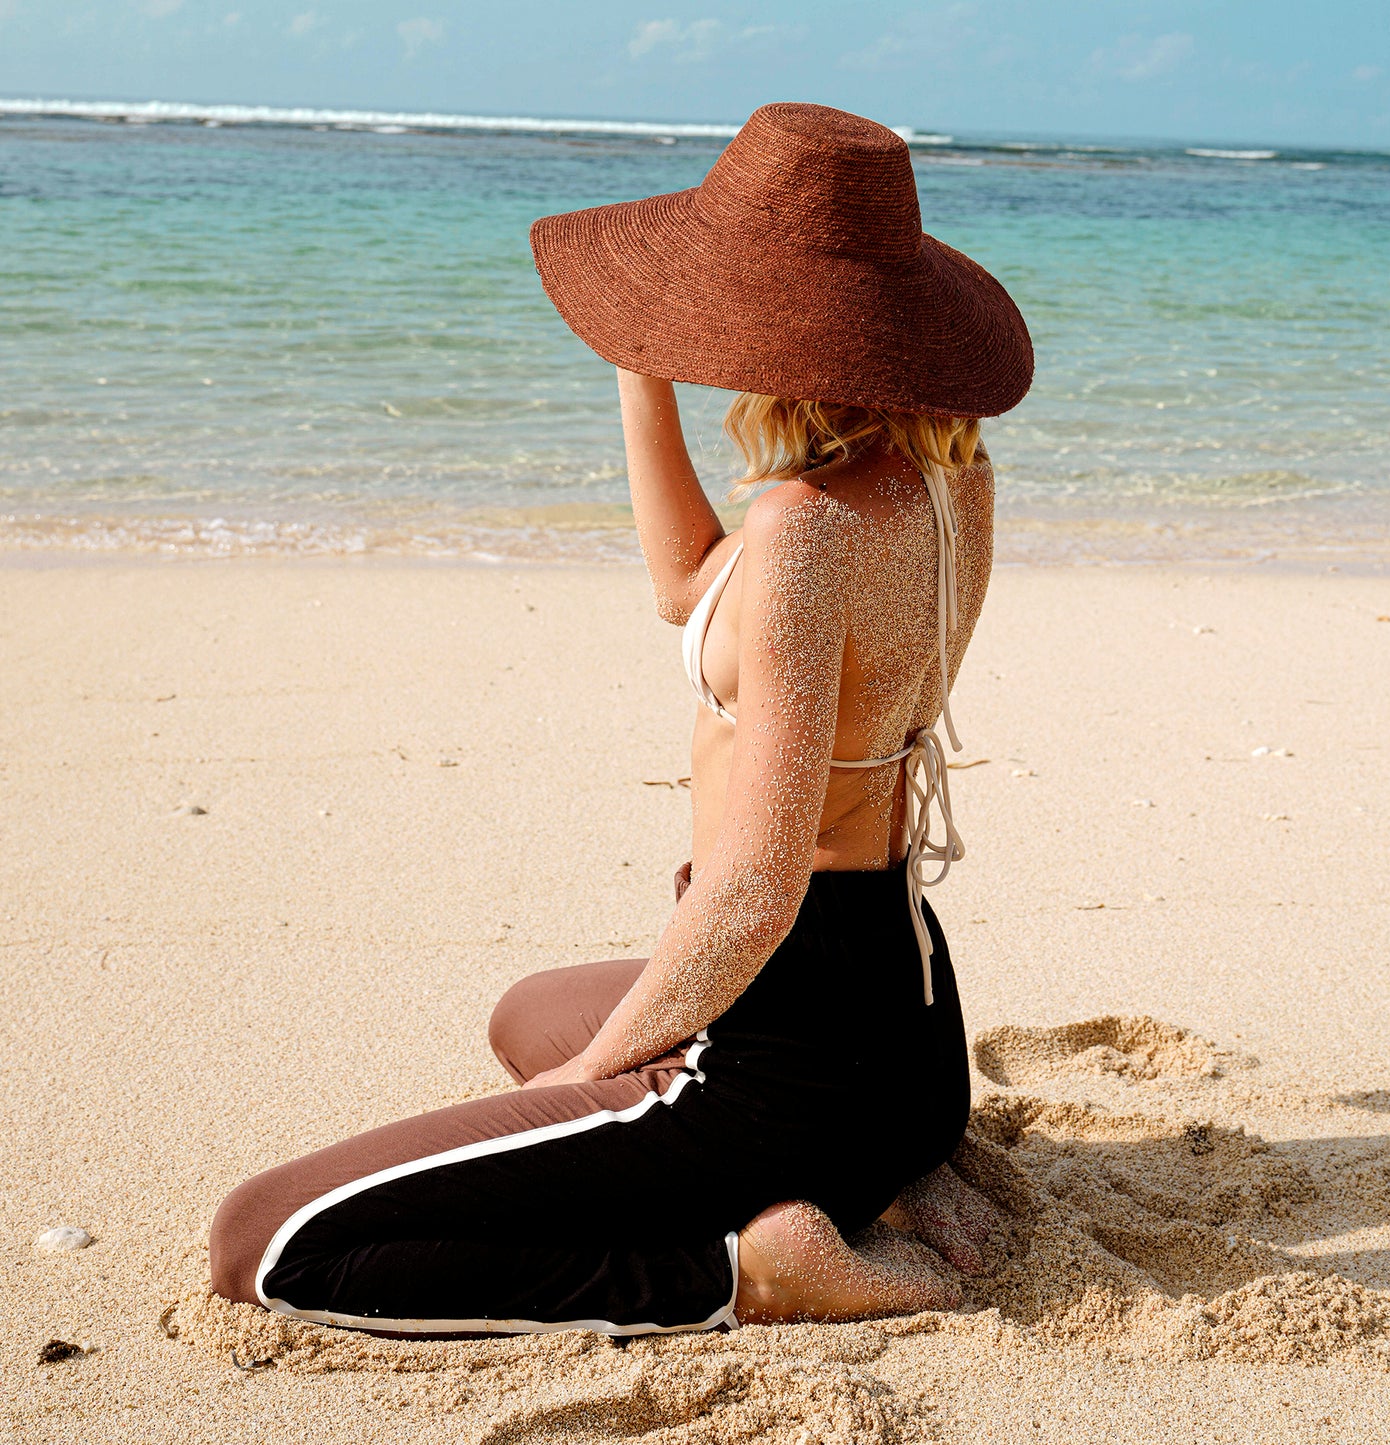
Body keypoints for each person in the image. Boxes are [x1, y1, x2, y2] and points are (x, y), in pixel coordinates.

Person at [208, 101, 1033, 1337]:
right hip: (903, 1030)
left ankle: (745, 1274)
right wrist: (637, 362)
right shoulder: (949, 482)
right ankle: (884, 1172)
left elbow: (753, 888)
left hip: (787, 1040)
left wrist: (589, 1080)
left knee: (266, 1240)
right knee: (526, 1010)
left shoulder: (803, 527)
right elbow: (682, 587)